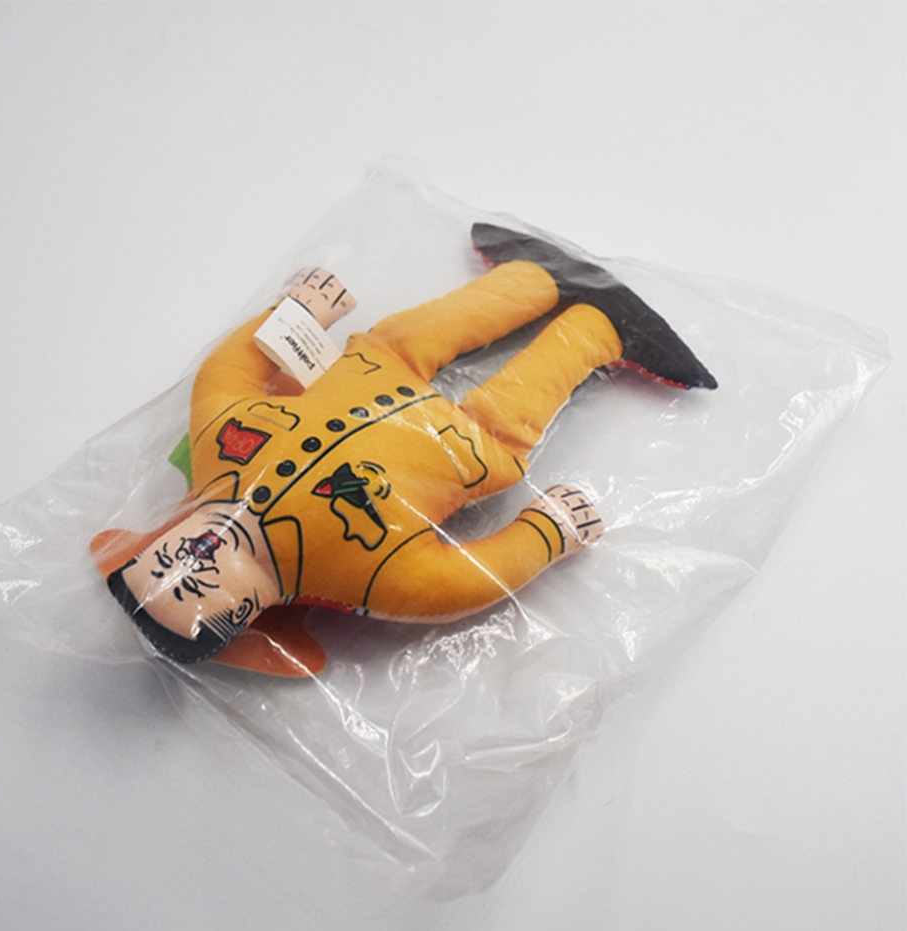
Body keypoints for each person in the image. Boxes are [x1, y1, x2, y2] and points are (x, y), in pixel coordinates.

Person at [102, 224, 716, 667]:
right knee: (512, 414)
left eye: (166, 560)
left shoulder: (219, 448)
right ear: (244, 617)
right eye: (199, 589)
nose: (196, 560)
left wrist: (295, 314)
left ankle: (530, 281)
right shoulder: (359, 577)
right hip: (467, 448)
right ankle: (599, 329)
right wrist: (545, 533)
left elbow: (224, 376)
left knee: (411, 334)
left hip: (380, 363)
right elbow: (460, 583)